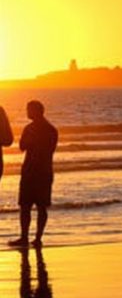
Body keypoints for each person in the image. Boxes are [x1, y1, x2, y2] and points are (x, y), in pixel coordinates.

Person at [9, 101, 58, 248]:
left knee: (37, 206)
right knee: (27, 206)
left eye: (29, 110)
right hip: (35, 171)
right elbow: (22, 146)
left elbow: (46, 150)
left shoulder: (47, 130)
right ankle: (28, 237)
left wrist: (33, 141)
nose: (27, 112)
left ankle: (35, 238)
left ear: (37, 111)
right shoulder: (44, 129)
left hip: (39, 172)